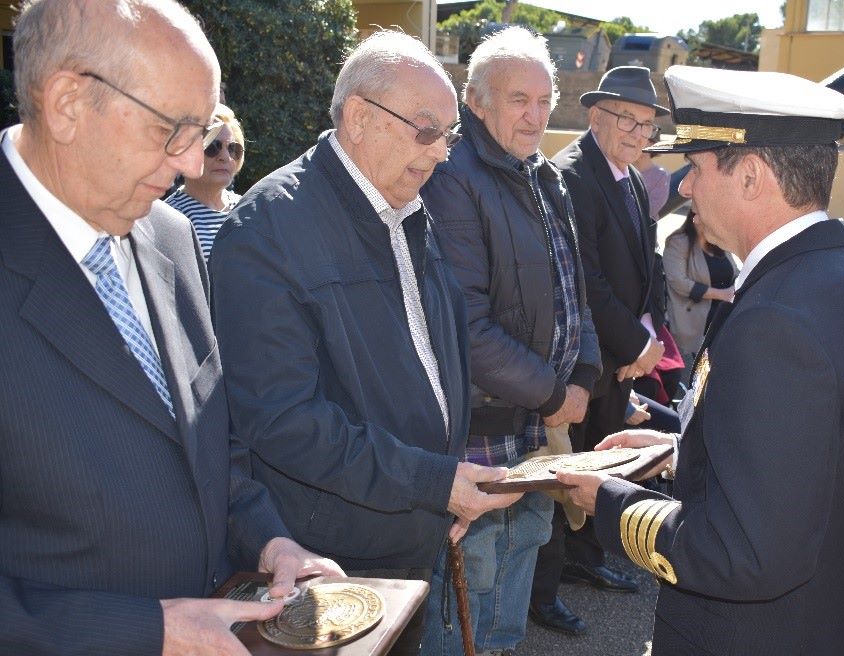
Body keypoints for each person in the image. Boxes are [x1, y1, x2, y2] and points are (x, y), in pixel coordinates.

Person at [0, 1, 343, 655]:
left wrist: (271, 543)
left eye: (205, 130)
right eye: (173, 130)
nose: (192, 163)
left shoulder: (173, 235)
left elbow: (212, 448)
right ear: (68, 103)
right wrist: (147, 632)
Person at [557, 65, 844, 655]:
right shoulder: (841, 279)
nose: (686, 188)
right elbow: (798, 453)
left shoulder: (777, 320)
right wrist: (675, 447)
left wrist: (610, 502)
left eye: (696, 167)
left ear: (750, 176)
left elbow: (743, 552)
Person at [208, 30, 520, 656]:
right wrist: (435, 482)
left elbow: (442, 356)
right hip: (330, 560)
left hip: (411, 532)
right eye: (426, 131)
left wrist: (445, 482)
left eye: (450, 136)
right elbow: (283, 421)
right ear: (357, 117)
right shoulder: (267, 229)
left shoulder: (408, 207)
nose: (441, 155)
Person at [418, 26, 601, 655]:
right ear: (476, 102)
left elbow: (576, 290)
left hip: (538, 432)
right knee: (473, 586)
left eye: (546, 100)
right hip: (483, 430)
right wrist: (556, 394)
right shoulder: (453, 177)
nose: (537, 115)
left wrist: (586, 375)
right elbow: (465, 327)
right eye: (519, 99)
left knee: (522, 555)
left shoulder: (543, 175)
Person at [530, 67, 671, 632]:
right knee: (567, 473)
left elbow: (648, 265)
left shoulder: (631, 176)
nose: (639, 133)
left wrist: (649, 337)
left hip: (622, 358)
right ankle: (544, 594)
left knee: (603, 461)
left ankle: (585, 563)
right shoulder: (571, 174)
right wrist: (636, 342)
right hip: (584, 361)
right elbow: (584, 277)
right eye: (627, 120)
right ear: (595, 115)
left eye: (647, 124)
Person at [165, 102, 244, 261]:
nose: (225, 157)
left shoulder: (247, 207)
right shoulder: (169, 215)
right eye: (213, 147)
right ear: (188, 151)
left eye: (233, 148)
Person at [664, 210, 741, 371]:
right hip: (691, 321)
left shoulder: (720, 245)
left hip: (721, 320)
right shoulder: (679, 242)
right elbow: (677, 281)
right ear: (695, 218)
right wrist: (721, 294)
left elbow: (735, 274)